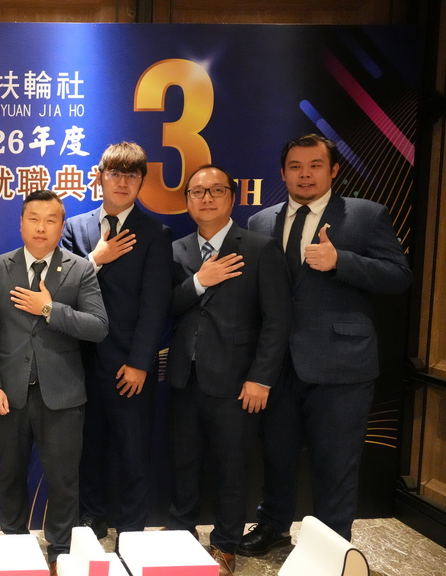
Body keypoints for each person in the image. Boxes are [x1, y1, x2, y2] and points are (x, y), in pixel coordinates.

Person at [240, 134, 411, 554]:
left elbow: (399, 276)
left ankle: (333, 545)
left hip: (341, 364)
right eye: (295, 166)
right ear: (283, 173)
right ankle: (273, 526)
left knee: (336, 464)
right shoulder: (260, 222)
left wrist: (341, 262)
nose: (305, 174)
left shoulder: (366, 215)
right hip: (277, 365)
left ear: (333, 170)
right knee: (277, 455)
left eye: (315, 165)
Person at [166, 165, 292, 575]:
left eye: (215, 190)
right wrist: (199, 282)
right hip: (185, 378)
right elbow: (166, 306)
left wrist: (261, 378)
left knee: (232, 468)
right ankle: (180, 536)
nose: (206, 198)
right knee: (183, 464)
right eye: (197, 192)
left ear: (232, 198)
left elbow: (277, 320)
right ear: (187, 201)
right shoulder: (177, 250)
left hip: (239, 383)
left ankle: (225, 544)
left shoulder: (258, 247)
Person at [0, 189, 108, 575]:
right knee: (10, 474)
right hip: (9, 394)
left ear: (61, 226)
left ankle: (61, 552)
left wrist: (50, 308)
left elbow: (98, 327)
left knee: (64, 479)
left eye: (51, 220)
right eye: (33, 219)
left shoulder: (79, 269)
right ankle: (15, 544)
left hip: (63, 395)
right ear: (21, 223)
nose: (41, 227)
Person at [60, 141, 172, 540]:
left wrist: (141, 362)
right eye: (114, 174)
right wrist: (96, 258)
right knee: (87, 448)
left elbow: (155, 306)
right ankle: (91, 518)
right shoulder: (74, 228)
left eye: (131, 175)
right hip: (78, 362)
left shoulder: (156, 234)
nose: (122, 182)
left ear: (141, 181)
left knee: (132, 451)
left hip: (128, 364)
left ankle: (130, 528)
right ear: (100, 177)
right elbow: (60, 289)